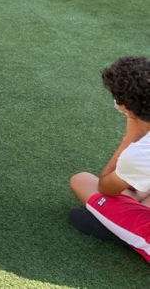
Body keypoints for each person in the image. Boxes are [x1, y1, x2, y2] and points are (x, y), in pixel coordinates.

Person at [69, 56, 150, 263]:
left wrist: (129, 139)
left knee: (82, 181)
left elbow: (105, 187)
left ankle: (119, 230)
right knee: (138, 190)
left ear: (127, 108)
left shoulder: (141, 153)